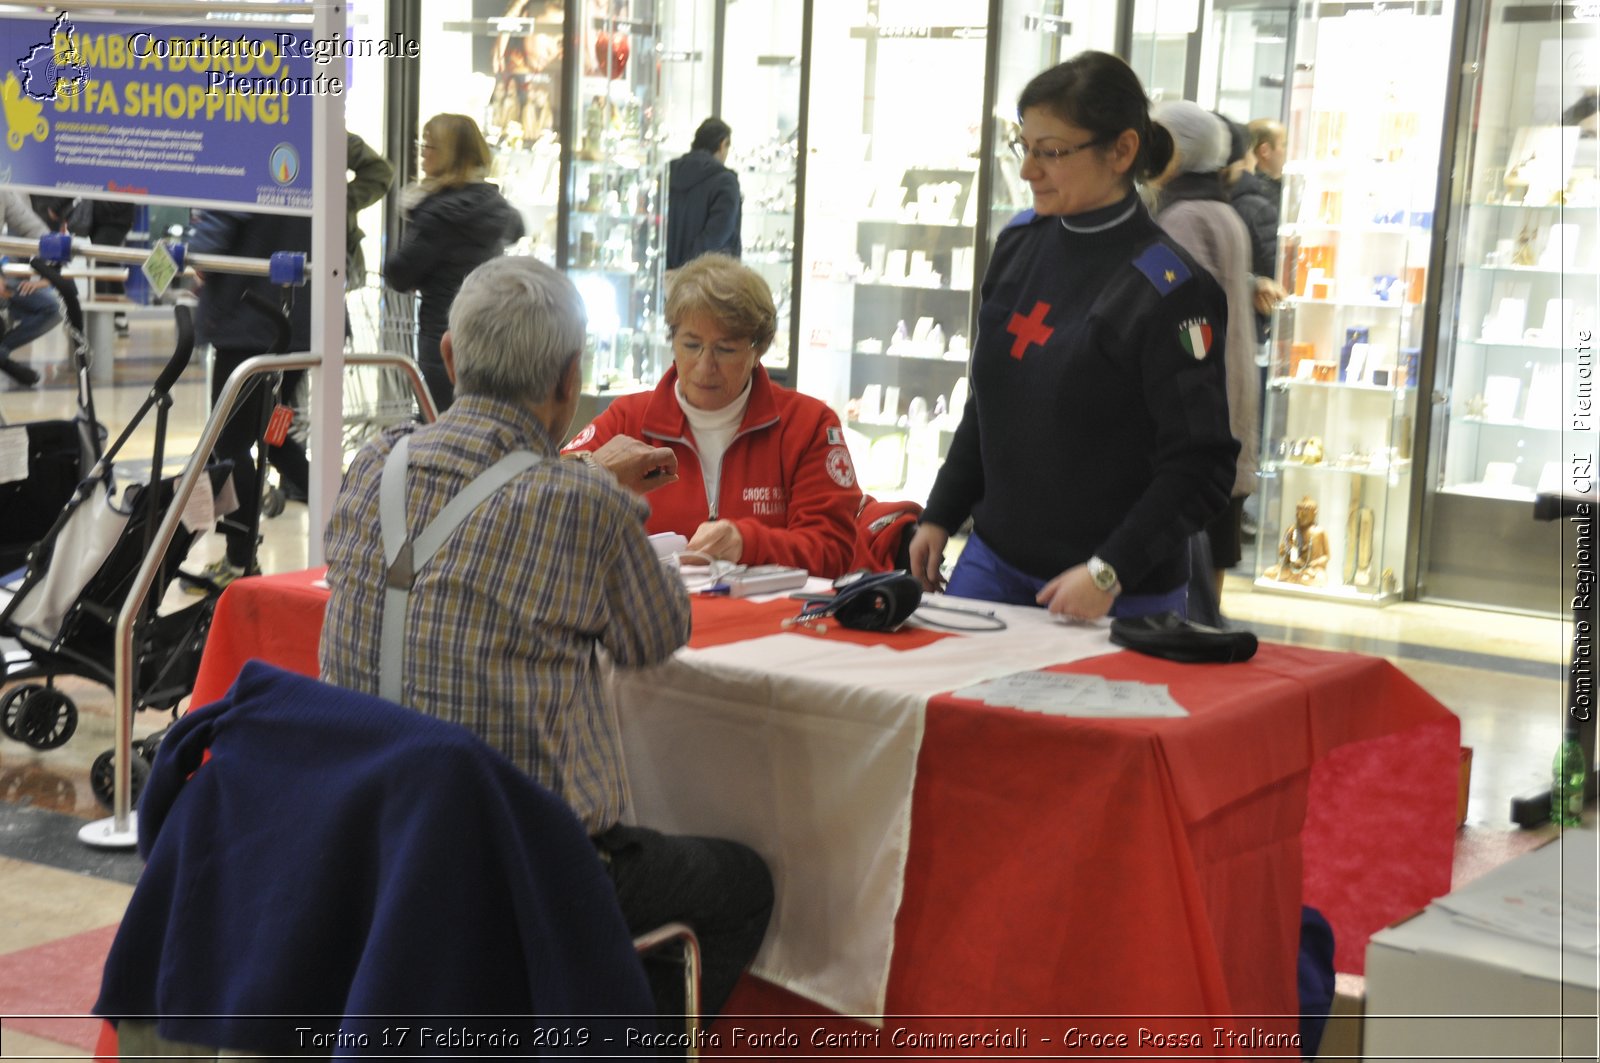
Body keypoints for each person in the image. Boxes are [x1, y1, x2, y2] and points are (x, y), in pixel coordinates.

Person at [320, 255, 772, 1021]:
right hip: (520, 861)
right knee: (742, 885)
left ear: (452, 357)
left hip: (368, 837)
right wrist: (602, 492)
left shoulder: (373, 463)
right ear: (570, 380)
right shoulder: (580, 502)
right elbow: (657, 633)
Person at [907, 52, 1237, 621]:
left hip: (1113, 587)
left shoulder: (1170, 289)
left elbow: (1201, 467)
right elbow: (991, 401)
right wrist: (941, 510)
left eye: (1051, 152)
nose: (1029, 170)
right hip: (993, 562)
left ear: (1123, 151)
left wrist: (1110, 570)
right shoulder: (1018, 246)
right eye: (1024, 147)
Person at [562, 254, 860, 578]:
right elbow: (545, 499)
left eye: (726, 350)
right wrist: (596, 475)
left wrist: (748, 543)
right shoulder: (627, 420)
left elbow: (834, 550)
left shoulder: (808, 424)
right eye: (691, 345)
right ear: (672, 341)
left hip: (771, 624)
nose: (705, 366)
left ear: (758, 349)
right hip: (654, 619)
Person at [1149, 100, 1260, 607]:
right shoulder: (1222, 212)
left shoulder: (1183, 219)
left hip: (1197, 406)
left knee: (1191, 564)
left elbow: (1173, 319)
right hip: (1226, 397)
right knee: (1211, 556)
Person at [186, 210, 313, 586]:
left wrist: (200, 258)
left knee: (230, 444)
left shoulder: (247, 156)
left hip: (251, 320)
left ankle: (240, 561)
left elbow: (215, 230)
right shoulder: (314, 159)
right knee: (272, 435)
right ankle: (350, 517)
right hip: (300, 319)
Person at [383, 113, 524, 412]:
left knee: (438, 422)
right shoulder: (494, 205)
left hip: (442, 336)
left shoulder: (436, 213)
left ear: (449, 155)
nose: (422, 152)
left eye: (429, 146)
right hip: (488, 333)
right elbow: (516, 229)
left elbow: (399, 272)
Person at [0, 189, 61, 389]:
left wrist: (52, 269)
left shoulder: (3, 194)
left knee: (54, 307)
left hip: (4, 280)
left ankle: (1, 353)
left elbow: (36, 230)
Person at [665, 117, 742, 269]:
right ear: (722, 144)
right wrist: (687, 271)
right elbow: (718, 235)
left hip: (666, 279)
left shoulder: (669, 173)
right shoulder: (725, 182)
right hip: (709, 281)